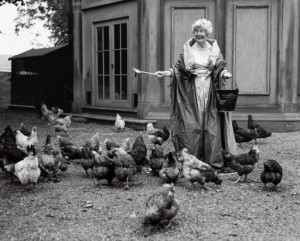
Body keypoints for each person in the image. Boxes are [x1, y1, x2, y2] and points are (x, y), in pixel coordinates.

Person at [155, 18, 237, 171]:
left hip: (210, 89)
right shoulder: (188, 49)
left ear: (207, 33)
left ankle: (213, 161)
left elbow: (220, 67)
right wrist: (165, 73)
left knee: (212, 124)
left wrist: (225, 74)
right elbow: (178, 68)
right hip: (191, 90)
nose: (199, 34)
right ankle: (193, 159)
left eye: (202, 31)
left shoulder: (214, 50)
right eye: (197, 31)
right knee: (192, 123)